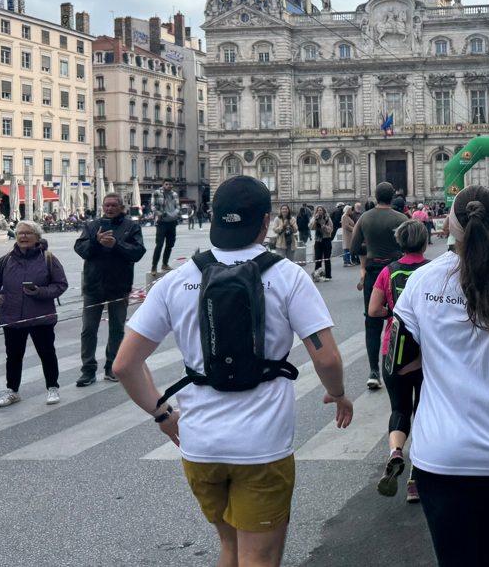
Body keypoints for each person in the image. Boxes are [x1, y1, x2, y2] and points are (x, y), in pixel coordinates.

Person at [113, 176, 353, 567]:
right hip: (262, 445)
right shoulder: (288, 275)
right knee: (259, 557)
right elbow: (325, 359)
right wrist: (338, 393)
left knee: (230, 547)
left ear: (213, 219)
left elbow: (124, 365)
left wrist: (162, 414)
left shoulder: (177, 280)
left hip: (200, 445)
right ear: (265, 221)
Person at [393, 186, 489, 567]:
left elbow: (398, 361)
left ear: (449, 223)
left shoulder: (421, 281)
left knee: (454, 556)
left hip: (441, 450)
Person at [368, 218, 431, 502]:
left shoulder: (387, 271)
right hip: (426, 350)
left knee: (400, 407)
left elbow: (373, 310)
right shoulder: (432, 270)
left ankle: (395, 451)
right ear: (425, 240)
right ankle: (415, 480)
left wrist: (394, 313)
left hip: (393, 348)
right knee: (424, 411)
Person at [0, 220, 69, 407]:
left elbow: (61, 284)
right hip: (12, 316)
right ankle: (12, 391)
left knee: (47, 353)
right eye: (20, 234)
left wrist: (40, 292)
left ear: (37, 237)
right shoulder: (6, 259)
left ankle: (52, 387)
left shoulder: (48, 258)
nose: (23, 237)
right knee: (13, 356)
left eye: (28, 233)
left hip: (40, 316)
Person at [74, 193, 147, 386]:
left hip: (119, 286)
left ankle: (112, 366)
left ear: (122, 207)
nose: (109, 209)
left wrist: (116, 244)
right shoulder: (92, 226)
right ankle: (88, 370)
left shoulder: (131, 227)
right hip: (93, 287)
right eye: (107, 205)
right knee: (88, 329)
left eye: (114, 205)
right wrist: (95, 241)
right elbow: (80, 249)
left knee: (116, 328)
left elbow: (138, 252)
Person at [350, 183, 408, 390]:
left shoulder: (365, 218)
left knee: (372, 321)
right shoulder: (402, 219)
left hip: (374, 272)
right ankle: (400, 365)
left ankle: (374, 371)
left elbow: (354, 248)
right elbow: (408, 247)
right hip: (396, 272)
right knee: (400, 318)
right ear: (393, 197)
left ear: (375, 196)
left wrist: (371, 246)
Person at [150, 179, 180, 275]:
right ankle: (154, 266)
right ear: (163, 185)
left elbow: (177, 206)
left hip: (172, 222)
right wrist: (162, 214)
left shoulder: (174, 194)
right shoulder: (157, 193)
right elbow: (153, 207)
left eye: (170, 184)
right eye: (166, 184)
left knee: (170, 244)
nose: (168, 186)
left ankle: (165, 264)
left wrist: (175, 214)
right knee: (159, 245)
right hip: (162, 222)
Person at [310, 206, 334, 281]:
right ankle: (317, 275)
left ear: (323, 211)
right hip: (318, 240)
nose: (319, 211)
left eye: (321, 210)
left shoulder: (327, 219)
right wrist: (314, 219)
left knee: (327, 258)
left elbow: (331, 229)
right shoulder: (314, 219)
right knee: (318, 258)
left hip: (326, 239)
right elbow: (311, 227)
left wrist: (325, 228)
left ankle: (328, 275)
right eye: (318, 210)